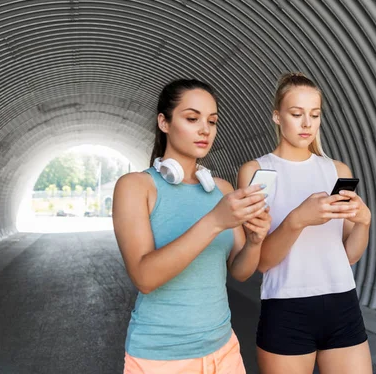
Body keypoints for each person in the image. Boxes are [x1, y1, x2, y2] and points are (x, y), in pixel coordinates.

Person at [113, 78, 271, 374]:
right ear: (164, 122)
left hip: (224, 350)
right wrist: (214, 221)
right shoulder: (136, 187)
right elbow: (144, 277)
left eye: (212, 121)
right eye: (191, 118)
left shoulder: (221, 190)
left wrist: (254, 240)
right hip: (161, 357)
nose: (205, 129)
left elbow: (239, 271)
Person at [238, 72, 373, 374]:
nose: (306, 124)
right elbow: (262, 262)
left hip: (342, 304)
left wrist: (364, 223)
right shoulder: (257, 171)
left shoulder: (337, 170)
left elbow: (348, 255)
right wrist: (297, 220)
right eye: (296, 114)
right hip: (287, 307)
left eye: (314, 115)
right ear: (277, 116)